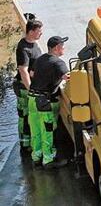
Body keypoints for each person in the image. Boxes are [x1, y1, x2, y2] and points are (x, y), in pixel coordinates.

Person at [28, 36, 69, 167]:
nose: (64, 48)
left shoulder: (40, 59)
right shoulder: (58, 63)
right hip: (44, 101)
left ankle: (36, 156)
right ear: (57, 48)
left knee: (36, 129)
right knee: (47, 129)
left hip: (32, 99)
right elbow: (68, 77)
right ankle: (48, 160)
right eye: (63, 46)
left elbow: (32, 74)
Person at [13, 16, 43, 152]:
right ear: (31, 32)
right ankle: (25, 145)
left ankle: (31, 141)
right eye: (39, 31)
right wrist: (30, 89)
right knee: (25, 115)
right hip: (24, 87)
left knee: (31, 115)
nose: (41, 33)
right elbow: (23, 70)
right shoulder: (23, 48)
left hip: (33, 84)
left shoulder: (34, 44)